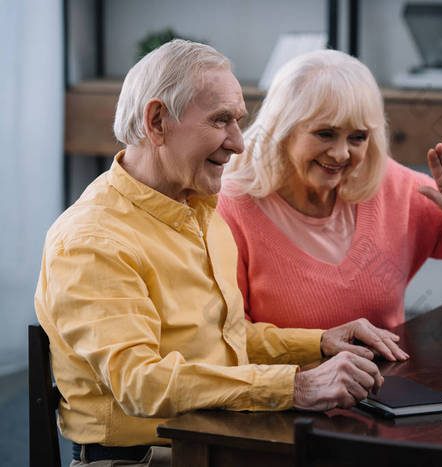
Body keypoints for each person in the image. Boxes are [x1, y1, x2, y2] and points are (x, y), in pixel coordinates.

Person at [35, 40, 405, 467]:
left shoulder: (201, 212)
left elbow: (222, 340)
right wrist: (294, 386)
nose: (238, 143)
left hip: (218, 443)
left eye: (238, 121)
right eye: (220, 121)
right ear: (157, 122)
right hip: (145, 459)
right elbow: (142, 384)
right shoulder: (92, 241)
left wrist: (320, 343)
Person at [217, 49, 442, 331]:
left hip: (388, 376)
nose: (341, 154)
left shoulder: (390, 183)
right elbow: (231, 336)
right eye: (325, 134)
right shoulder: (231, 207)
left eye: (358, 137)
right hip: (291, 380)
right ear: (283, 129)